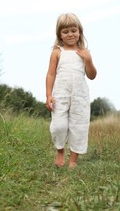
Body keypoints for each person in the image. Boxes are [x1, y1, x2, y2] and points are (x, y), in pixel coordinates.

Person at [45, 13, 97, 168]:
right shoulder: (57, 52)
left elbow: (92, 75)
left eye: (73, 30)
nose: (70, 34)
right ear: (60, 35)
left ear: (79, 31)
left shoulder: (84, 52)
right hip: (60, 94)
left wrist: (88, 60)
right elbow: (51, 74)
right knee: (58, 125)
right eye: (65, 31)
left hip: (79, 96)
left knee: (79, 126)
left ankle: (73, 160)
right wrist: (49, 95)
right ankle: (60, 152)